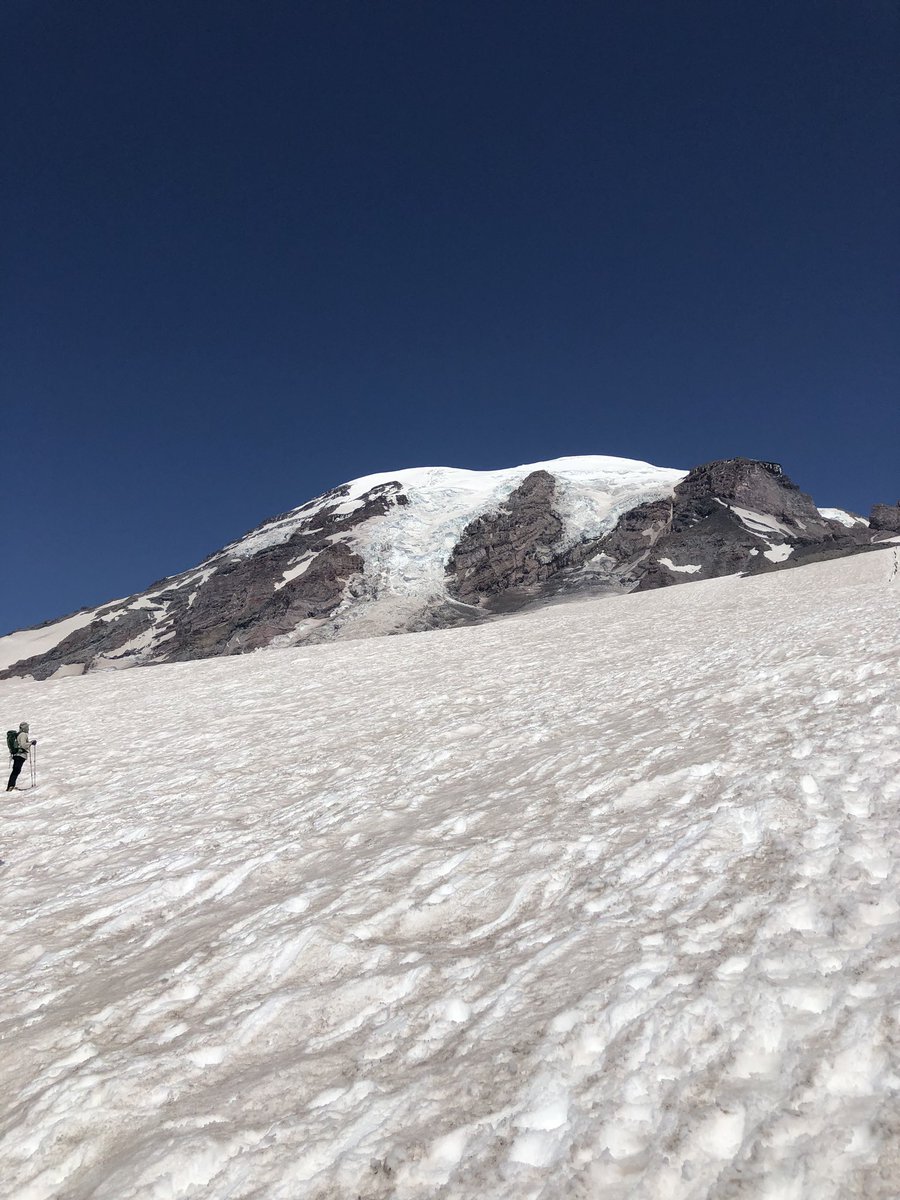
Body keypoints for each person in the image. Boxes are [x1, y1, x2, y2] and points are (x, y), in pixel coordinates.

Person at [7, 721, 36, 791]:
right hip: (20, 755)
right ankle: (11, 786)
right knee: (16, 771)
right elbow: (23, 745)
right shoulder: (23, 734)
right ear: (24, 728)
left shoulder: (18, 734)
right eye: (27, 727)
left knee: (15, 770)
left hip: (16, 754)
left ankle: (10, 786)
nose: (28, 728)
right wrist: (31, 743)